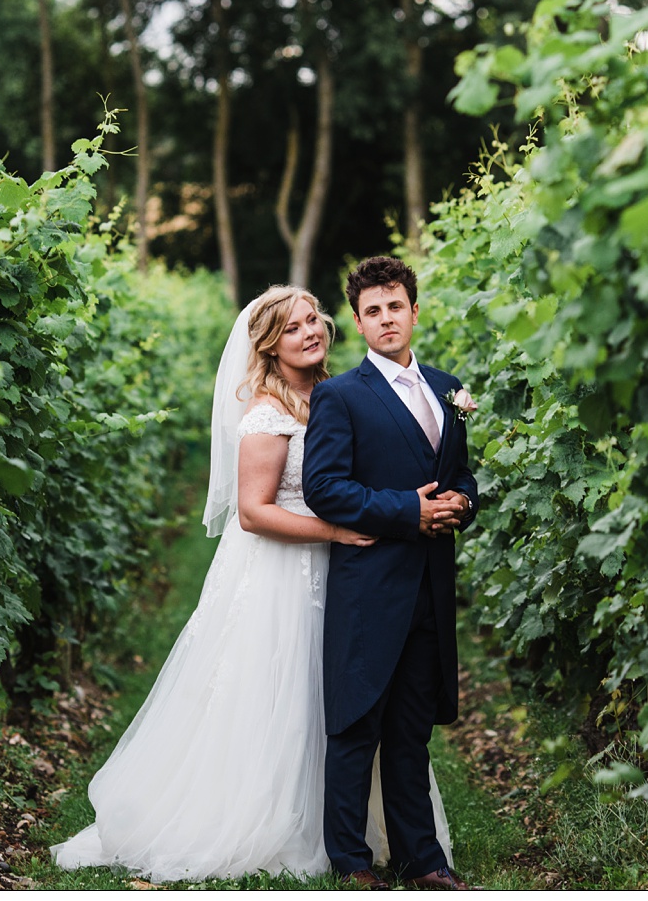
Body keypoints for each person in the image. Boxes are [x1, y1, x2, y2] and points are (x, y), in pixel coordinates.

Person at [51, 285, 452, 884]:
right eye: (293, 328)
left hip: (352, 579)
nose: (311, 332)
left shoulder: (342, 395)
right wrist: (338, 533)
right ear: (268, 345)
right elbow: (253, 512)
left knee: (354, 698)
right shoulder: (267, 413)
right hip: (285, 577)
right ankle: (279, 824)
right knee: (288, 697)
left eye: (314, 320)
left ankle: (368, 831)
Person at [303, 256, 479, 890]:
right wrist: (412, 510)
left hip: (431, 588)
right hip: (369, 588)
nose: (385, 319)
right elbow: (324, 488)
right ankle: (350, 862)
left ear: (413, 309)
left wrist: (463, 501)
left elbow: (459, 475)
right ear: (357, 321)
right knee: (356, 729)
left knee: (410, 733)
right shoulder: (339, 395)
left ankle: (422, 859)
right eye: (372, 311)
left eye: (394, 306)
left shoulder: (448, 388)